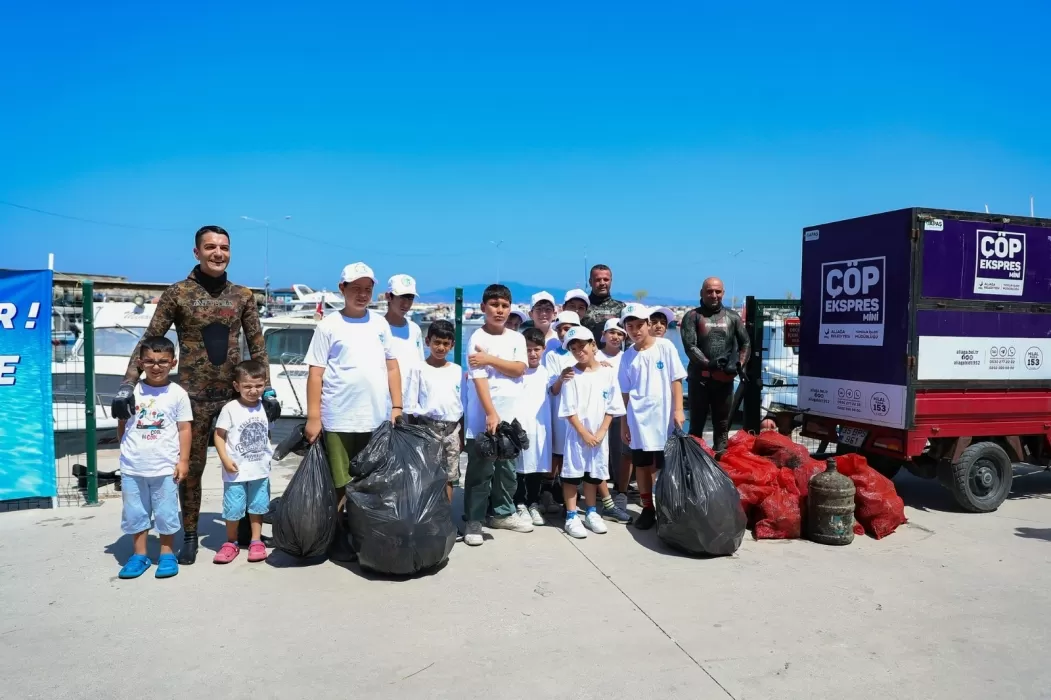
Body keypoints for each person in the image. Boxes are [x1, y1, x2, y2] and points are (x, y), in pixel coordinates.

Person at [112, 225, 278, 566]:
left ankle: (246, 528)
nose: (218, 253)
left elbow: (257, 346)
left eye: (224, 247)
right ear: (196, 252)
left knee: (247, 459)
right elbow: (150, 340)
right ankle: (189, 534)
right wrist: (128, 384)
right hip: (192, 398)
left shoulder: (243, 295)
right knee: (192, 467)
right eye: (210, 247)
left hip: (236, 396)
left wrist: (269, 390)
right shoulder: (178, 293)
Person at [304, 262, 402, 561]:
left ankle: (366, 533)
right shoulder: (329, 326)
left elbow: (392, 366)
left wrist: (397, 406)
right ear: (342, 288)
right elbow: (316, 373)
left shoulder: (380, 325)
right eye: (356, 289)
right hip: (338, 418)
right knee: (340, 482)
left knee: (371, 483)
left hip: (376, 419)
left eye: (367, 290)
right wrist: (313, 416)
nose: (362, 295)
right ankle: (337, 534)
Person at [115, 336, 192, 580]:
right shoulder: (130, 392)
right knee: (135, 513)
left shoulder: (178, 394)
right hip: (133, 467)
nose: (156, 366)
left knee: (166, 512)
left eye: (162, 361)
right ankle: (140, 555)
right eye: (149, 361)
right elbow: (122, 424)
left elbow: (184, 429)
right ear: (140, 363)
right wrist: (126, 449)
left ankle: (167, 553)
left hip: (165, 467)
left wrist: (183, 461)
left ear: (173, 363)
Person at [462, 284, 531, 546]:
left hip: (511, 419)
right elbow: (478, 379)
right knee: (480, 470)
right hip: (485, 417)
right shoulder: (476, 337)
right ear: (483, 308)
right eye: (494, 305)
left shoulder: (516, 338)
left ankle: (502, 513)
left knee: (506, 469)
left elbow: (519, 369)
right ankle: (474, 519)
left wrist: (489, 359)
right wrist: (491, 413)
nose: (499, 310)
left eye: (504, 306)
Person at [618, 303, 687, 530]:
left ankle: (669, 506)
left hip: (664, 420)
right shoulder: (627, 356)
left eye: (640, 325)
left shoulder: (665, 347)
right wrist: (624, 424)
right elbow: (625, 394)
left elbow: (676, 380)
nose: (636, 330)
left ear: (648, 324)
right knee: (642, 465)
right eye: (631, 326)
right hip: (638, 420)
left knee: (667, 465)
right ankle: (648, 508)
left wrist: (678, 410)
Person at [556, 326, 626, 538]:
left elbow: (612, 406)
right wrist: (583, 433)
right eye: (574, 348)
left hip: (598, 436)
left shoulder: (608, 373)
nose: (579, 351)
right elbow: (569, 410)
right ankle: (570, 515)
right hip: (577, 436)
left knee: (593, 475)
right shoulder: (570, 375)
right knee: (572, 475)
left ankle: (591, 511)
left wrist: (602, 430)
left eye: (582, 345)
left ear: (593, 345)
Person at [212, 360, 273, 565]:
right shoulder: (230, 408)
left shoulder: (265, 407)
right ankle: (231, 542)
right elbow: (219, 436)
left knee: (258, 507)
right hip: (235, 471)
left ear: (265, 384)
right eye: (247, 386)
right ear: (237, 386)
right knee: (233, 508)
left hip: (260, 469)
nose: (253, 390)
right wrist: (225, 459)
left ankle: (256, 541)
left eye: (258, 385)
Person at [679, 277, 750, 452]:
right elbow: (690, 347)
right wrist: (710, 366)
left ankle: (721, 468)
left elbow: (746, 343)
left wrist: (738, 366)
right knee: (696, 426)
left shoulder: (732, 317)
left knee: (722, 428)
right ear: (701, 293)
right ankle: (694, 467)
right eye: (709, 291)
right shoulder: (692, 316)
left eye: (717, 291)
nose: (714, 295)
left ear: (723, 293)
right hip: (699, 381)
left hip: (724, 382)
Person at [405, 320, 463, 504]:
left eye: (446, 344)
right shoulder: (418, 368)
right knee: (426, 476)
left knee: (450, 476)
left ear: (452, 345)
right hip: (426, 428)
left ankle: (444, 519)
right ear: (427, 341)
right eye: (436, 342)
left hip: (452, 430)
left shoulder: (457, 370)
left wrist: (460, 436)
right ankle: (425, 520)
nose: (441, 347)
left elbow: (461, 404)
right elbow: (411, 405)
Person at [513, 327, 553, 527]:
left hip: (540, 428)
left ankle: (533, 502)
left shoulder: (546, 372)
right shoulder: (517, 372)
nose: (532, 353)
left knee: (536, 467)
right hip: (521, 427)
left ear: (543, 349)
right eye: (528, 349)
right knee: (519, 468)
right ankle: (519, 503)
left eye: (536, 349)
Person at [600, 319, 633, 514]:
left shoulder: (627, 356)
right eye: (611, 332)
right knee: (600, 452)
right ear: (603, 335)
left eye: (620, 333)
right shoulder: (594, 355)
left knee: (623, 452)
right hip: (599, 412)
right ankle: (598, 488)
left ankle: (621, 491)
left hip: (621, 410)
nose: (615, 337)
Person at [384, 274, 425, 417]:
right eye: (402, 297)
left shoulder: (415, 329)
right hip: (384, 406)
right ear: (388, 296)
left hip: (411, 407)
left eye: (410, 298)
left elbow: (420, 365)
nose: (406, 304)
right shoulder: (377, 328)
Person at [582, 264, 627, 347]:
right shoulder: (582, 307)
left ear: (611, 281)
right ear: (590, 282)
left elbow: (629, 339)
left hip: (615, 358)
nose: (602, 283)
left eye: (606, 279)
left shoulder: (621, 308)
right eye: (598, 280)